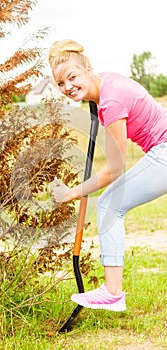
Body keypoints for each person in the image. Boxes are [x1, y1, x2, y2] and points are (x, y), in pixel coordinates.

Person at [49, 39, 167, 312]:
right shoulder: (107, 83)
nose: (67, 87)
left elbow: (115, 168)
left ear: (87, 69)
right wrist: (91, 98)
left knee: (109, 204)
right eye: (60, 83)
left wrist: (71, 193)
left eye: (72, 77)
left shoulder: (110, 102)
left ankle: (113, 292)